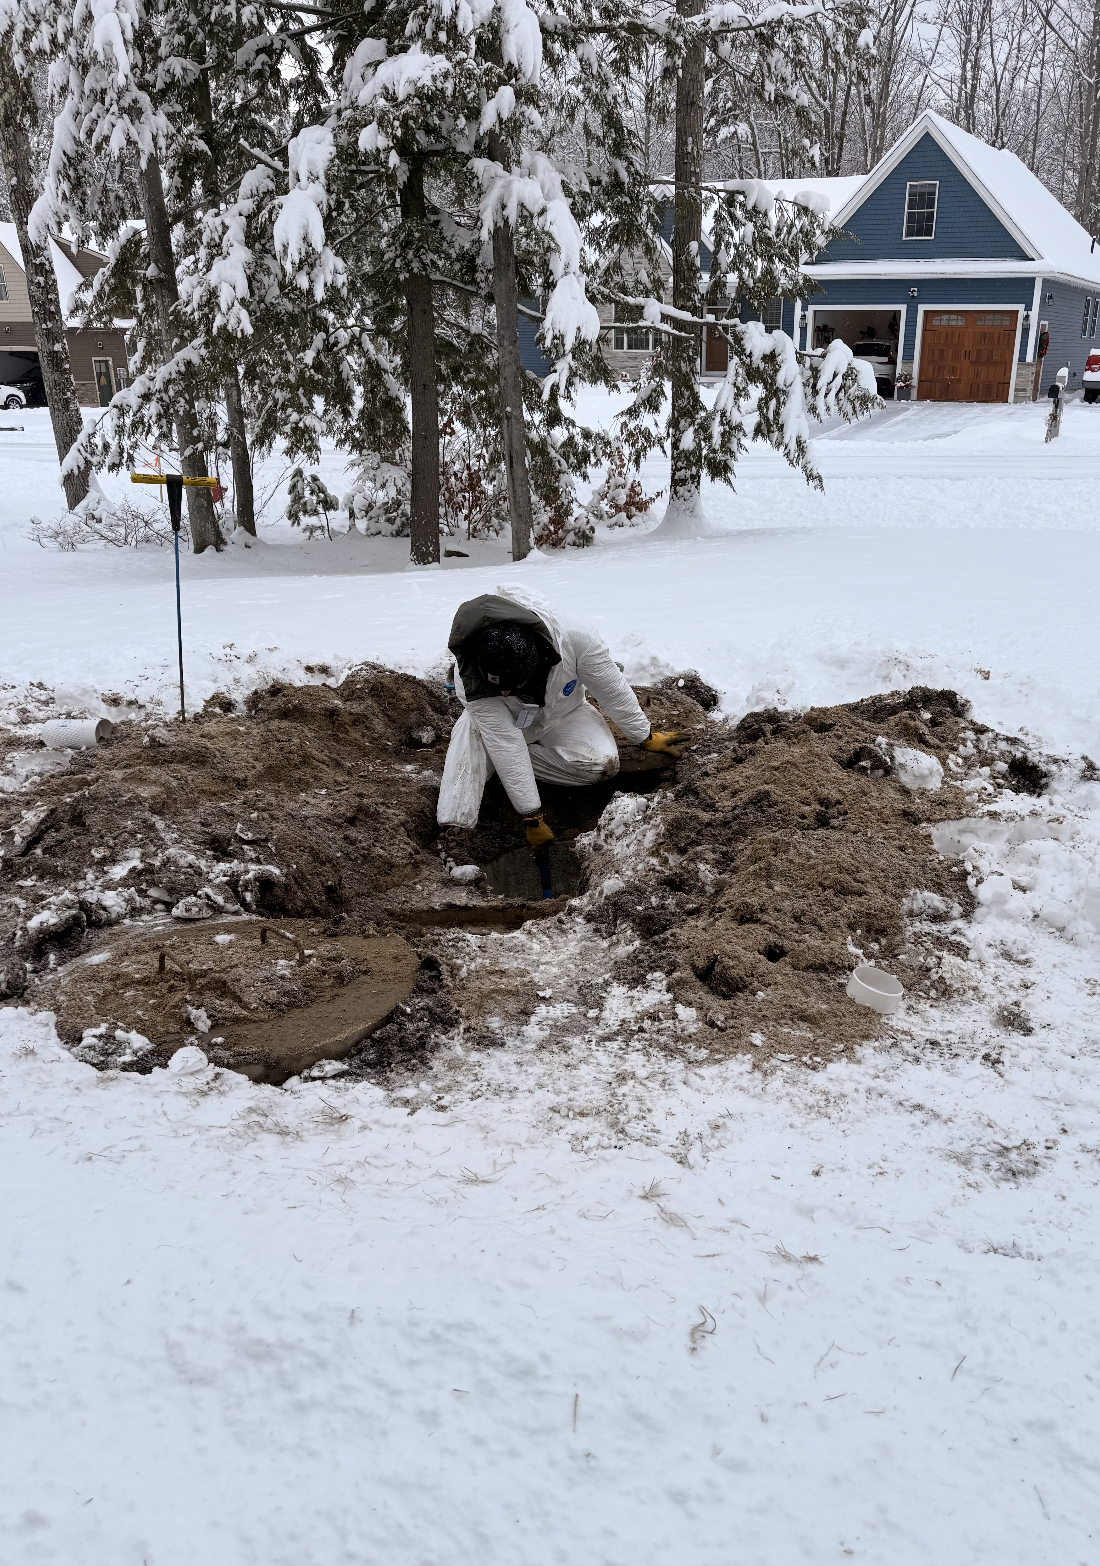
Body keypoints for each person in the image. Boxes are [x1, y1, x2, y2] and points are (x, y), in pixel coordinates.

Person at [437, 585, 681, 843]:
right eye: (500, 686)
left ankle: (500, 765)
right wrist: (531, 814)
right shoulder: (469, 678)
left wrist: (644, 736)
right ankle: (456, 832)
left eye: (513, 685)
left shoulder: (576, 638)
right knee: (473, 739)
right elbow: (506, 742)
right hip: (499, 728)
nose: (506, 693)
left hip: (564, 713)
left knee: (603, 766)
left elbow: (612, 690)